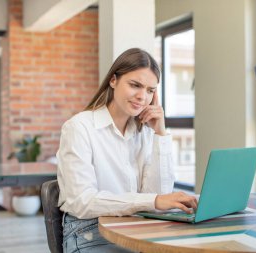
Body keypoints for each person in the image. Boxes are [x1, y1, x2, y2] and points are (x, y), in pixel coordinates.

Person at [57, 48, 198, 253]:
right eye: (135, 85)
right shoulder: (79, 128)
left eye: (150, 90)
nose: (142, 97)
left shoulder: (146, 132)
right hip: (90, 231)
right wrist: (154, 200)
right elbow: (82, 202)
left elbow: (160, 195)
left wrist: (160, 133)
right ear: (113, 80)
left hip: (138, 228)